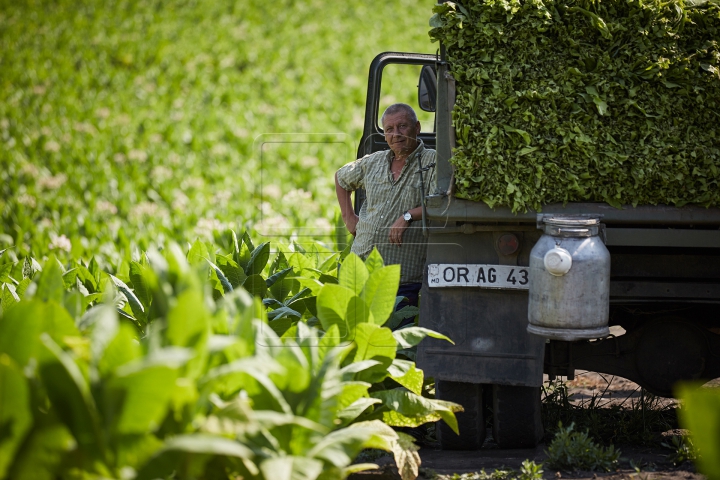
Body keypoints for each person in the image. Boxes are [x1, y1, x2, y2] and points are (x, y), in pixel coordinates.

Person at [334, 103, 436, 319]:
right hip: (359, 271)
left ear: (417, 128)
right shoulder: (374, 161)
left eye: (402, 127)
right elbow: (341, 177)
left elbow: (443, 203)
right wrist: (348, 217)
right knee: (353, 335)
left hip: (402, 280)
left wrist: (408, 216)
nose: (395, 134)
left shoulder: (433, 162)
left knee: (392, 342)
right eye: (389, 129)